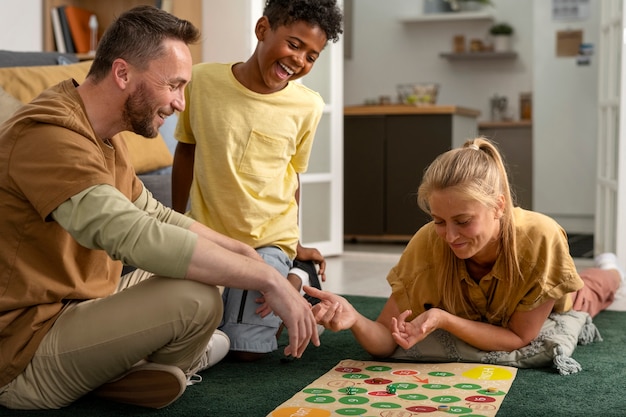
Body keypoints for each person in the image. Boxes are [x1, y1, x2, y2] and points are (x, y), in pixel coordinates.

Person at [0, 6, 319, 411]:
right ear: (122, 73)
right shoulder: (50, 135)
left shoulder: (102, 130)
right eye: (173, 85)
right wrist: (269, 280)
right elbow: (128, 233)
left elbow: (156, 214)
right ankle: (136, 366)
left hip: (80, 303)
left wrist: (244, 254)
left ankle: (130, 365)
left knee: (214, 265)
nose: (180, 103)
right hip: (25, 349)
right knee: (197, 299)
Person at [305, 137, 623, 359]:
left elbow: (518, 337)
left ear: (499, 206)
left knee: (589, 296)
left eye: (463, 221)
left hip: (549, 300)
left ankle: (611, 268)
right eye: (439, 220)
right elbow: (387, 340)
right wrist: (356, 319)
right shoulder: (427, 242)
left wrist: (444, 319)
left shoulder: (542, 239)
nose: (450, 236)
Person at [172, 0, 343, 361]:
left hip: (268, 241)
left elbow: (292, 178)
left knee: (245, 351)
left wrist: (294, 243)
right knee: (191, 322)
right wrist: (174, 219)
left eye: (312, 56)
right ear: (263, 29)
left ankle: (298, 273)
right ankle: (290, 282)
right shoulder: (201, 81)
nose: (300, 60)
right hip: (210, 236)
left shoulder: (308, 107)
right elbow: (185, 151)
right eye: (294, 45)